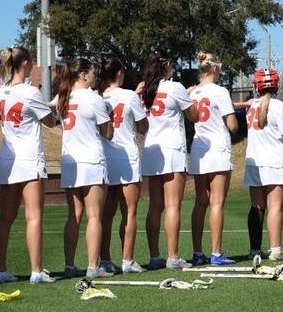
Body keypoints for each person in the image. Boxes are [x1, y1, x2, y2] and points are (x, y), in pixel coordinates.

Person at [0, 46, 59, 284]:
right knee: (33, 216)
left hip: (7, 158)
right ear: (25, 63)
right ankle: (36, 270)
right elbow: (51, 122)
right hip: (29, 157)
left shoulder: (3, 91)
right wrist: (53, 106)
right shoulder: (31, 92)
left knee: (5, 217)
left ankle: (1, 270)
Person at [139, 50, 196, 270]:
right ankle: (173, 256)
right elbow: (194, 115)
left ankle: (155, 256)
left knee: (155, 206)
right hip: (172, 149)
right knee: (173, 205)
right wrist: (189, 96)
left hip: (152, 149)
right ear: (168, 65)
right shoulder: (175, 87)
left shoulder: (146, 89)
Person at [57, 57, 112, 279]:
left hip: (70, 161)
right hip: (91, 160)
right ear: (83, 75)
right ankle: (92, 266)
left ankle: (70, 265)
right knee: (94, 215)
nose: (95, 77)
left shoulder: (63, 97)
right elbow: (107, 133)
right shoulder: (93, 98)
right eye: (93, 73)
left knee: (74, 215)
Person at [187, 52, 239, 266]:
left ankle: (198, 252)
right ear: (215, 68)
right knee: (217, 202)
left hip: (199, 147)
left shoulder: (193, 93)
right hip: (217, 147)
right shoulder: (220, 91)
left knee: (201, 202)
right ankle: (216, 253)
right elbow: (232, 125)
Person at [99, 57, 148, 273]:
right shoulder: (129, 95)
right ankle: (127, 259)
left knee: (105, 215)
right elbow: (143, 126)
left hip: (105, 158)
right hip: (126, 157)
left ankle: (105, 259)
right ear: (119, 73)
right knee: (129, 212)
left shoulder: (99, 97)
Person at [242, 68, 283, 262]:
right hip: (274, 161)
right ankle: (275, 249)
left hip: (255, 162)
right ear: (276, 85)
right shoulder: (280, 106)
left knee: (257, 206)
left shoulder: (252, 106)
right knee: (275, 207)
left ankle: (255, 250)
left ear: (256, 86)